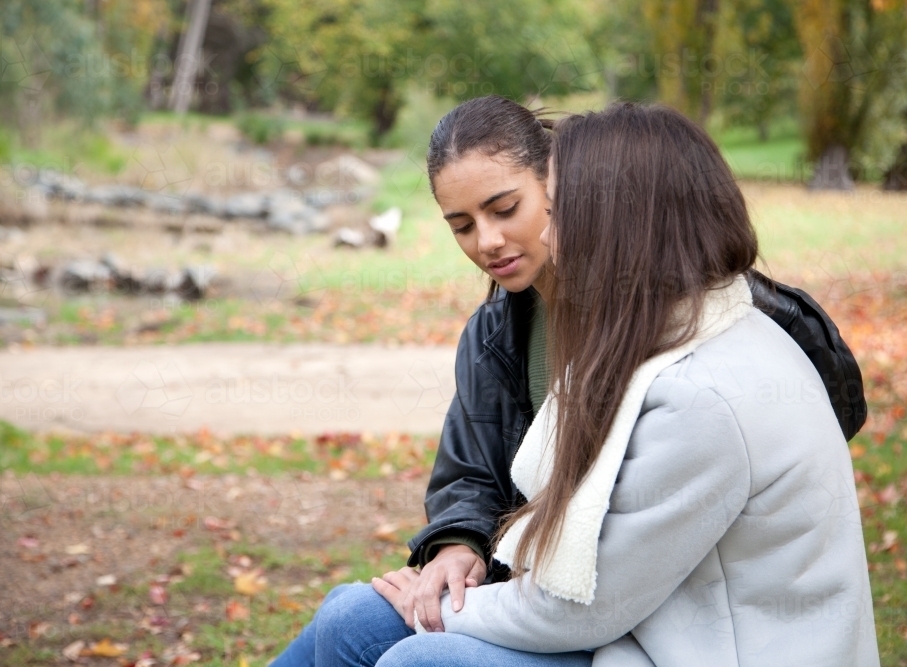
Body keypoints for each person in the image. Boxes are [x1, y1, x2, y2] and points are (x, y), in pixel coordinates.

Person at [270, 97, 868, 666]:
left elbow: (590, 601)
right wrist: (456, 546)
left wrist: (438, 613)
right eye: (462, 225)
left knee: (424, 658)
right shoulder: (585, 329)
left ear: (630, 218)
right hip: (607, 606)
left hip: (658, 633)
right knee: (350, 617)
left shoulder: (701, 387)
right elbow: (477, 476)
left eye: (522, 209)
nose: (491, 241)